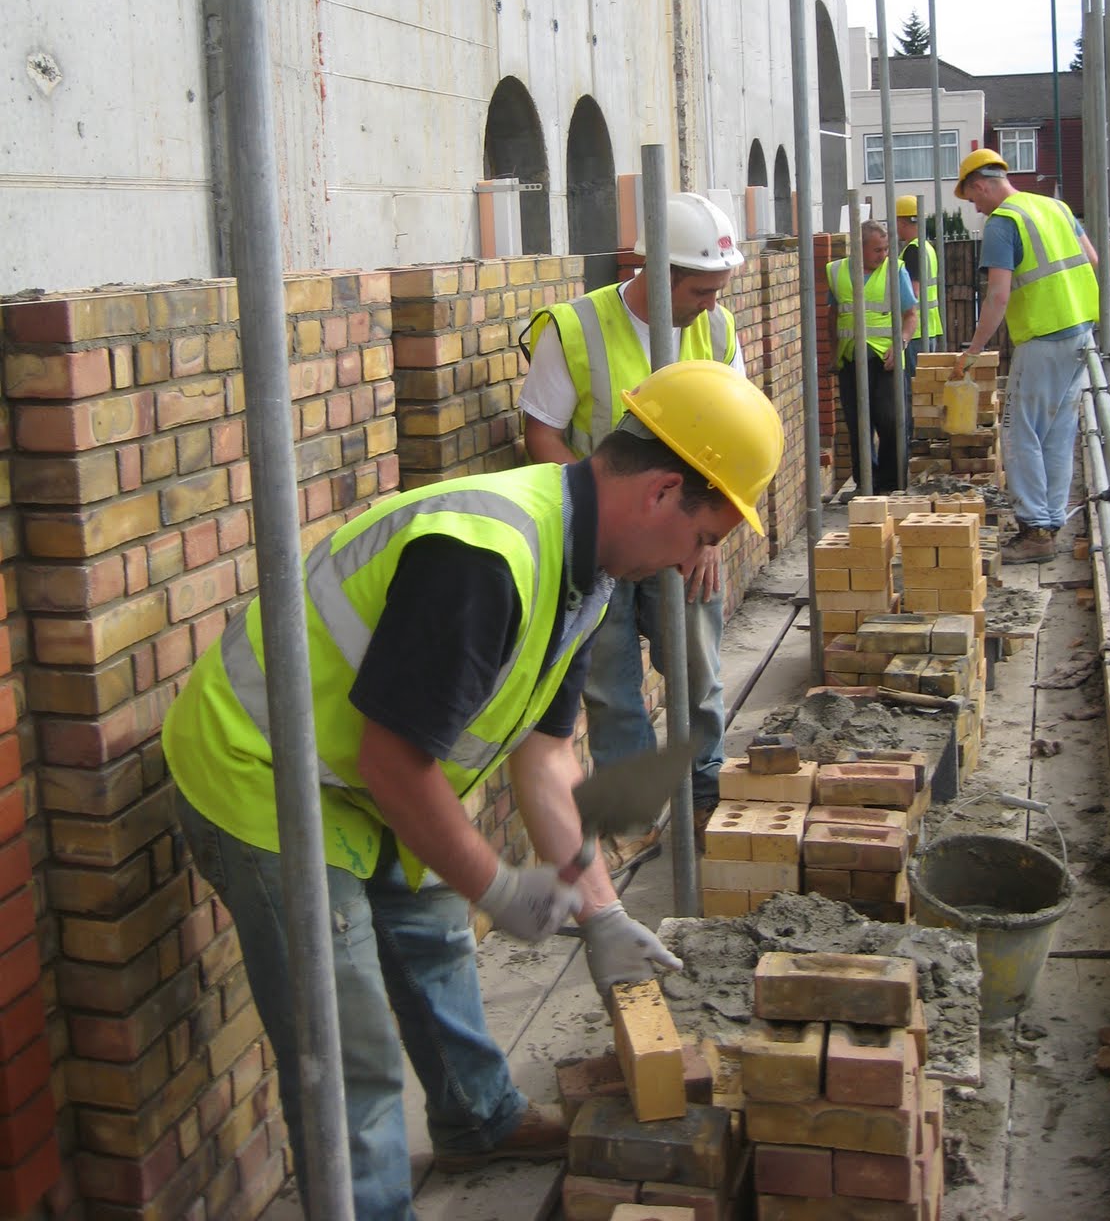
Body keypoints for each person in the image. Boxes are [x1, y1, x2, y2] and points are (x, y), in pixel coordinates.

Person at [164, 360, 784, 1220]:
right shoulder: (483, 558)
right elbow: (393, 765)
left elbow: (546, 756)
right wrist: (496, 884)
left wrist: (598, 912)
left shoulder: (587, 572)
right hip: (261, 772)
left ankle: (477, 1120)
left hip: (355, 776)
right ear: (664, 491)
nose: (695, 564)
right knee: (353, 1050)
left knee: (430, 931)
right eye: (705, 538)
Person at [519, 192, 745, 866]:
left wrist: (709, 538)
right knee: (610, 685)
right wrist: (602, 526)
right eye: (702, 289)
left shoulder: (719, 329)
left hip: (685, 537)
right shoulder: (576, 328)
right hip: (603, 547)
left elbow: (737, 443)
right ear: (658, 272)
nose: (713, 303)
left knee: (698, 667)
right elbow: (543, 434)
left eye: (719, 290)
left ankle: (706, 793)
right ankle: (636, 819)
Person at [951, 150, 1099, 563]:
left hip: (1042, 338)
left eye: (972, 198)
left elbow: (998, 295)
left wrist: (974, 350)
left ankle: (1034, 530)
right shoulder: (1055, 207)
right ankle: (1049, 524)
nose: (975, 207)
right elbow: (1091, 259)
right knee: (1056, 433)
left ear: (982, 185)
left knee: (1019, 432)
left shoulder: (1004, 222)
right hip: (1081, 334)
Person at [826, 218, 918, 495]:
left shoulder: (894, 271)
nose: (884, 255)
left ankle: (891, 484)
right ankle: (866, 483)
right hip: (851, 359)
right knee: (858, 425)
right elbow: (833, 315)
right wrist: (833, 353)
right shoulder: (837, 271)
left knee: (891, 421)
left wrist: (900, 342)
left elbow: (910, 315)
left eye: (886, 248)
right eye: (877, 250)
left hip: (884, 360)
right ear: (859, 249)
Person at [894, 195, 942, 445]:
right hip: (930, 328)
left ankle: (914, 443)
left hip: (915, 332)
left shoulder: (912, 250)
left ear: (902, 221)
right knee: (924, 390)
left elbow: (912, 294)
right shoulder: (928, 247)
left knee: (913, 392)